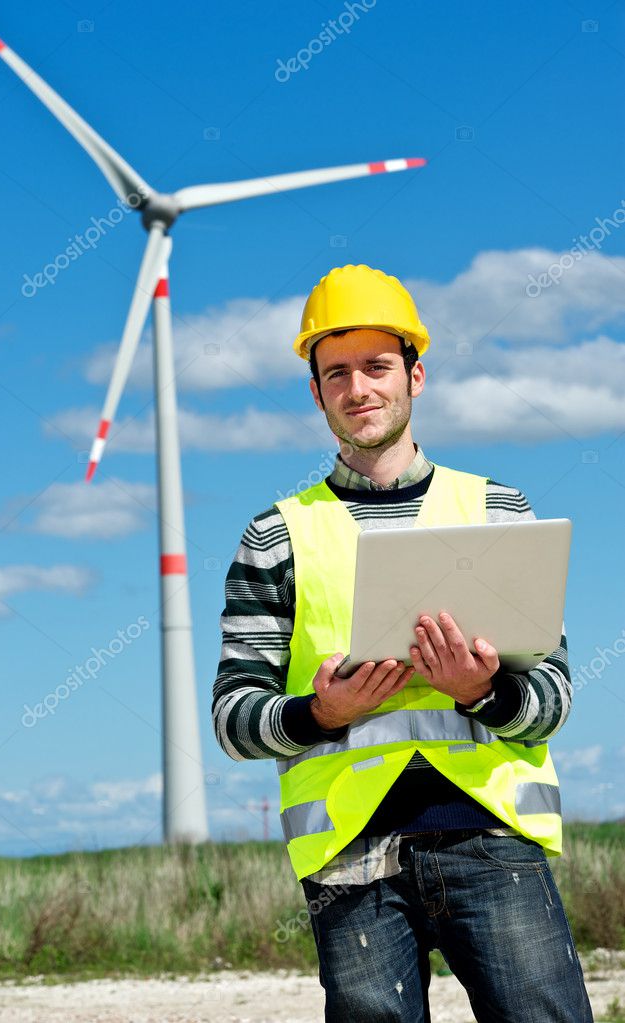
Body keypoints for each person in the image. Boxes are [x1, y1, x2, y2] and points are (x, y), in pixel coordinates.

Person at [212, 264, 592, 1022]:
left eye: (377, 366)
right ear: (316, 392)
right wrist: (319, 712)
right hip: (349, 855)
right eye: (337, 373)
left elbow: (552, 699)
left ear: (415, 374)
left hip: (492, 838)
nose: (359, 389)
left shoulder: (494, 509)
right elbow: (232, 717)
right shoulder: (275, 536)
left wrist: (483, 692)